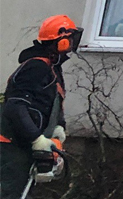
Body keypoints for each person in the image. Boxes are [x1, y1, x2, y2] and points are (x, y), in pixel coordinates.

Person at [0, 15, 82, 199]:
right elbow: (15, 107)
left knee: (23, 192)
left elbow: (51, 102)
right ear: (60, 41)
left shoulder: (53, 68)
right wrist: (37, 139)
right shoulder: (36, 67)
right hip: (12, 145)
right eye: (69, 39)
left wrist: (58, 126)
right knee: (12, 193)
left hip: (24, 143)